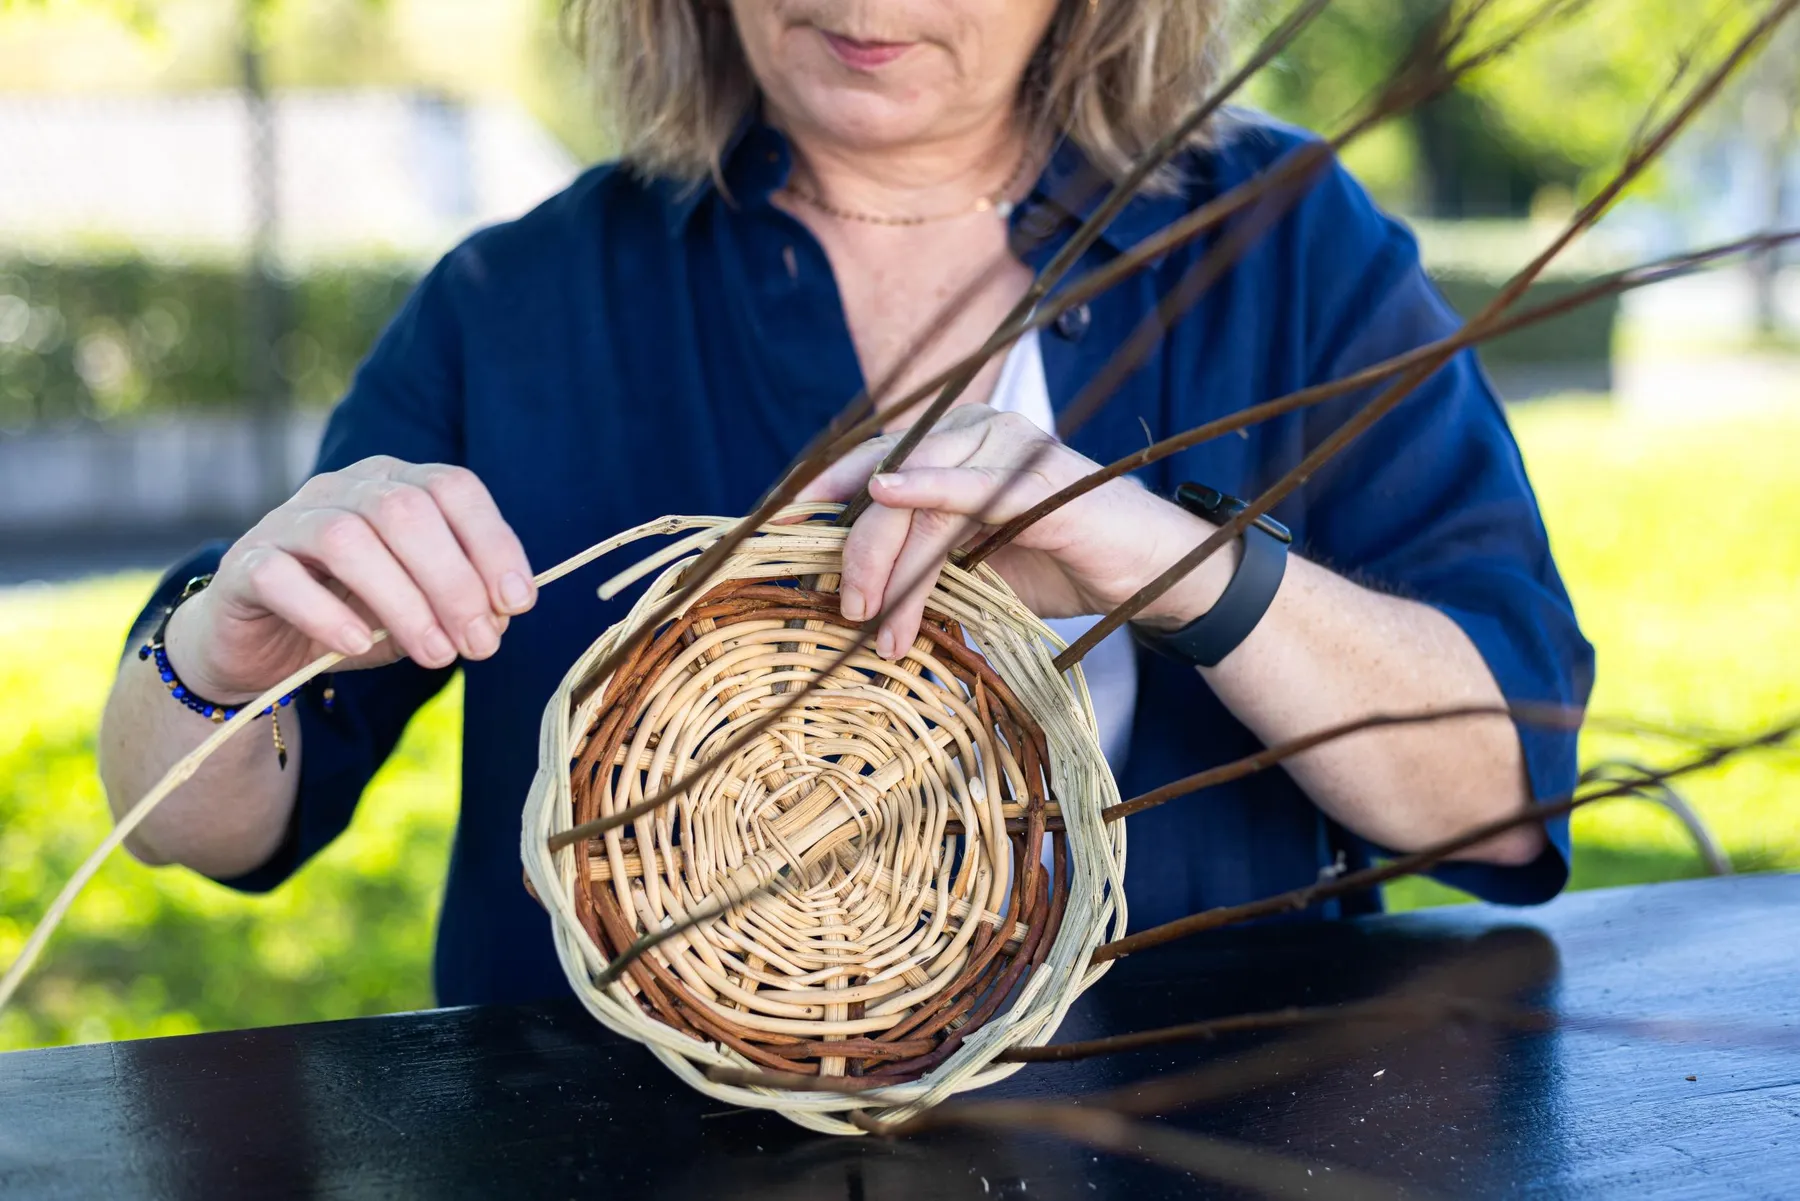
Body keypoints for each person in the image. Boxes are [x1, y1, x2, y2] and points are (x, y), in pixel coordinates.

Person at [99, 0, 1594, 1009]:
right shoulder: (517, 304)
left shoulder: (1284, 242)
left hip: (1222, 1132)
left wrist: (1176, 562)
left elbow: (1502, 797)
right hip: (621, 1148)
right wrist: (214, 658)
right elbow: (214, 826)